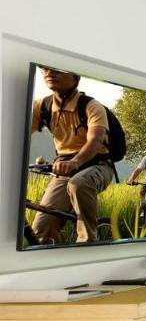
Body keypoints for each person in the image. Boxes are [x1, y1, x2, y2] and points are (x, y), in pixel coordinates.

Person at [29, 66, 115, 243]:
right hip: (63, 170)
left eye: (57, 69)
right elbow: (16, 132)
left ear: (76, 76)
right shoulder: (42, 106)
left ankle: (88, 242)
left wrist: (75, 161)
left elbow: (95, 140)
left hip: (97, 165)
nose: (49, 73)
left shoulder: (92, 106)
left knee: (79, 183)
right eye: (44, 69)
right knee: (41, 231)